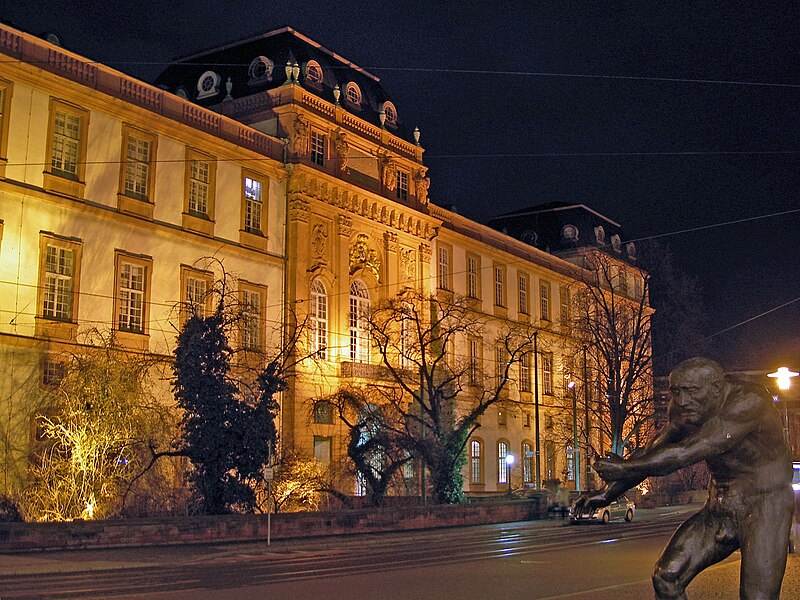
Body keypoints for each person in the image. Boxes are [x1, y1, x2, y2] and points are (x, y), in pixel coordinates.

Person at [574, 357, 794, 600]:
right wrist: (607, 493)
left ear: (716, 389)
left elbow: (688, 451)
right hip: (719, 508)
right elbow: (652, 452)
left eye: (690, 391)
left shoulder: (749, 401)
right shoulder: (684, 408)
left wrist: (625, 468)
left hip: (764, 505)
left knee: (757, 596)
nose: (681, 401)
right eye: (675, 392)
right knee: (666, 577)